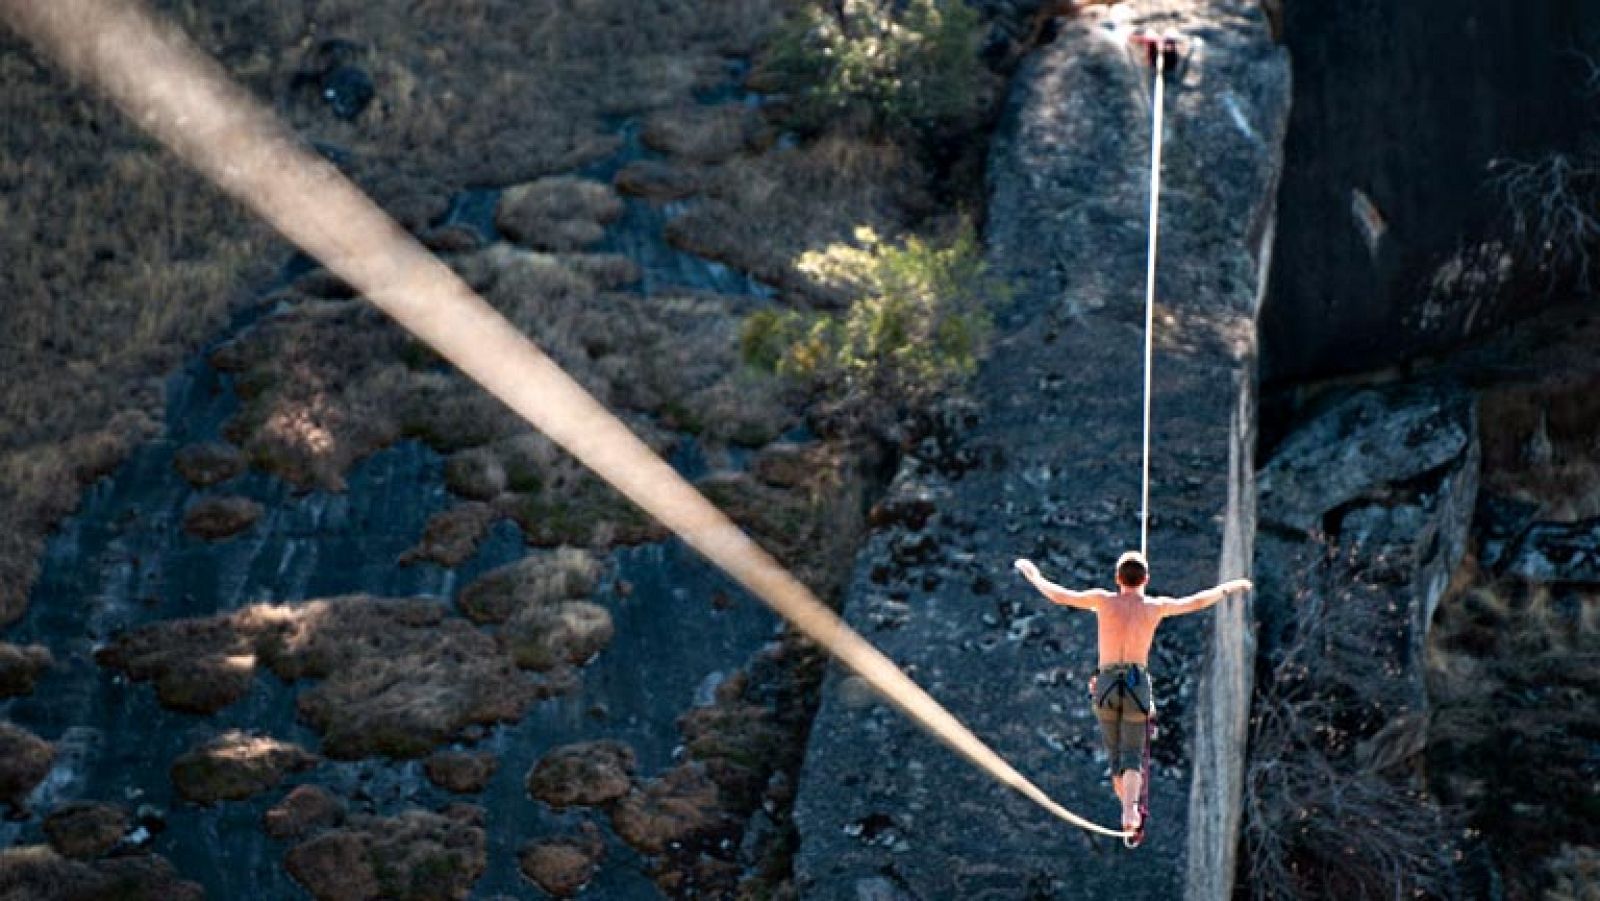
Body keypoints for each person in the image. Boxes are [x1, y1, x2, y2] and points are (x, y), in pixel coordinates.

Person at [1013, 551, 1250, 835]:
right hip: (1136, 684)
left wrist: (1033, 574)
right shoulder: (1155, 606)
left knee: (1117, 761)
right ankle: (1130, 810)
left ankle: (1128, 811)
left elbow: (1059, 595)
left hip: (1106, 684)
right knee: (1132, 756)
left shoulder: (1102, 600)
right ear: (1146, 579)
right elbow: (1196, 601)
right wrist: (1229, 588)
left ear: (1117, 578)